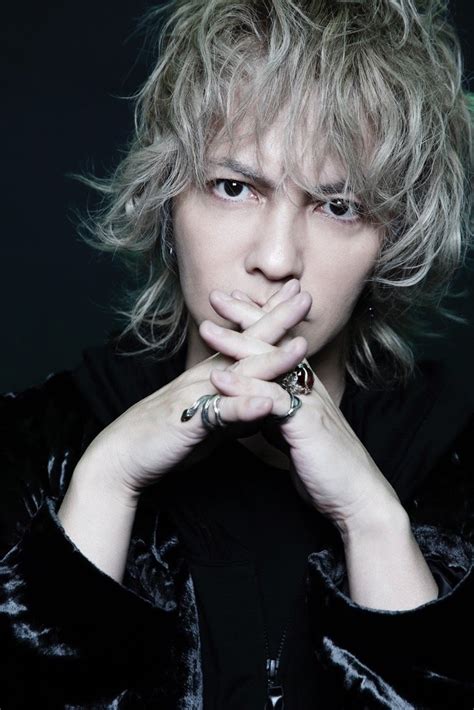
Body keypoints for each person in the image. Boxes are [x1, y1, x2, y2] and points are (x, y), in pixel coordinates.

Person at [1, 0, 473, 707]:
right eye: (234, 187)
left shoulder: (458, 471)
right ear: (167, 201)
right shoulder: (27, 449)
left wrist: (373, 522)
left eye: (338, 205)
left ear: (394, 241)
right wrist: (106, 479)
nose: (276, 259)